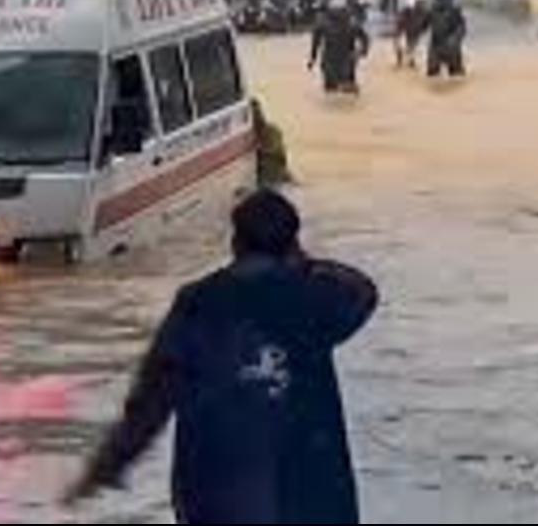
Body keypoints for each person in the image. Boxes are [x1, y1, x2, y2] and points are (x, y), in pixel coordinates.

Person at [65, 189, 380, 524]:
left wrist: (110, 464)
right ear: (293, 242)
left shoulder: (198, 304)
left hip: (217, 497)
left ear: (235, 241)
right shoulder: (317, 298)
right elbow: (363, 290)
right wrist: (301, 263)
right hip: (311, 497)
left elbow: (152, 399)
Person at [310, 0, 370, 94]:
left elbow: (365, 39)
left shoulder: (352, 23)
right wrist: (312, 58)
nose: (339, 14)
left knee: (347, 87)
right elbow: (315, 42)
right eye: (336, 12)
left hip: (346, 59)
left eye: (341, 12)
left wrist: (362, 52)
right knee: (331, 90)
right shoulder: (322, 23)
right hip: (330, 60)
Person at [426, 0, 468, 78]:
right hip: (435, 47)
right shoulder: (431, 10)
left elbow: (462, 28)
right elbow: (421, 26)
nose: (439, 0)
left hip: (451, 48)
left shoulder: (455, 11)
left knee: (456, 75)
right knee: (432, 75)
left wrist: (454, 39)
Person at [395, 0, 432, 70]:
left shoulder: (425, 11)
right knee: (401, 45)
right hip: (406, 29)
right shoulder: (408, 8)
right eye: (422, 2)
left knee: (413, 46)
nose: (423, 3)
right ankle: (400, 61)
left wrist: (423, 30)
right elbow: (400, 21)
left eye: (424, 2)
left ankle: (411, 61)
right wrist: (399, 31)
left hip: (416, 30)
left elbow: (427, 23)